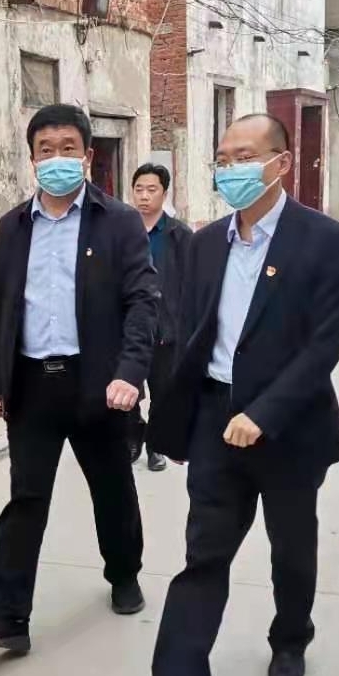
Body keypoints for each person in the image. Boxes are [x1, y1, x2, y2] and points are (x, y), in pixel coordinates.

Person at [124, 113, 339, 676]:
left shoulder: (325, 241)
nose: (232, 169)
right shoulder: (205, 245)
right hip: (215, 420)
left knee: (291, 546)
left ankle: (290, 637)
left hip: (289, 427)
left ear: (281, 163)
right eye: (223, 159)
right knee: (204, 553)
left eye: (245, 157)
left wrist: (265, 412)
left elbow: (324, 347)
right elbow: (193, 335)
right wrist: (177, 417)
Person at [0, 103, 158, 654]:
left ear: (88, 155)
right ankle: (8, 618)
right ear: (32, 159)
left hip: (98, 383)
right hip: (32, 385)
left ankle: (124, 573)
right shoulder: (13, 226)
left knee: (112, 488)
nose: (56, 158)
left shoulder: (117, 221)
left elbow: (143, 301)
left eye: (67, 148)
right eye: (45, 150)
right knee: (25, 499)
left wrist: (130, 373)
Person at [128, 162, 194, 473]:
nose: (144, 196)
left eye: (151, 189)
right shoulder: (122, 230)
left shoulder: (180, 235)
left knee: (162, 392)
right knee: (126, 388)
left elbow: (191, 284)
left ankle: (155, 446)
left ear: (164, 193)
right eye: (139, 189)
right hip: (127, 328)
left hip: (165, 330)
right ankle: (133, 435)